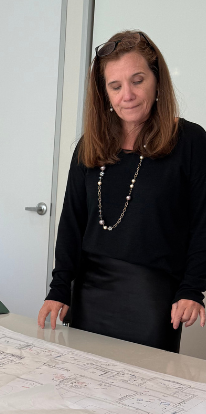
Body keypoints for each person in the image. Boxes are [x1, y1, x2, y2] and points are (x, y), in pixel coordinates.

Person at [38, 30, 206, 353]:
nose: (126, 94)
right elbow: (72, 224)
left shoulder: (190, 142)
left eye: (137, 80)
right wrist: (59, 288)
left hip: (153, 302)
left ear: (157, 80)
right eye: (115, 86)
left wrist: (192, 289)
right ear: (104, 94)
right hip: (88, 295)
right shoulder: (90, 147)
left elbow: (203, 224)